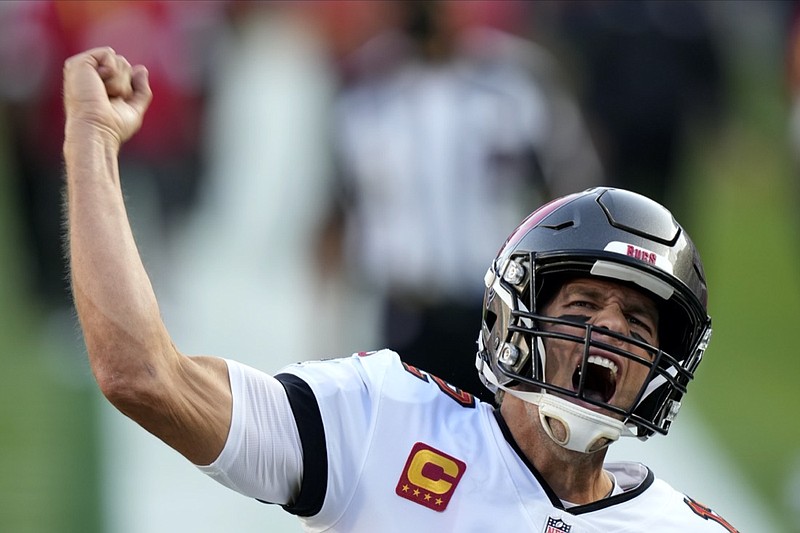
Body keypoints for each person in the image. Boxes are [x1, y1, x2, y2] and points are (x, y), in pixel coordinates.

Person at [64, 48, 738, 531]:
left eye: (639, 326)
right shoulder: (379, 421)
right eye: (585, 304)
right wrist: (92, 142)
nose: (608, 331)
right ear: (519, 320)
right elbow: (145, 374)